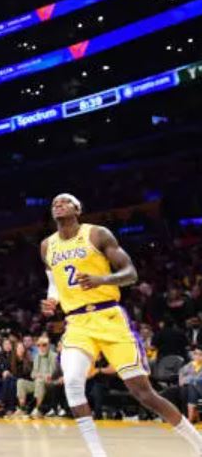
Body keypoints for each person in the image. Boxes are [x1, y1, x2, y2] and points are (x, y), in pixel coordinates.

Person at [40, 193, 202, 457]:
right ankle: (98, 453)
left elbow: (130, 273)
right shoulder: (47, 245)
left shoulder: (97, 234)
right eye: (54, 203)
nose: (58, 204)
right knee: (72, 383)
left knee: (143, 393)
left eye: (65, 201)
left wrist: (101, 279)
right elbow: (54, 283)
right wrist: (52, 300)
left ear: (78, 209)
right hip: (77, 323)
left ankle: (198, 444)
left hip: (109, 317)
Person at [15, 336, 56, 418]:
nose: (41, 347)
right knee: (20, 382)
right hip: (37, 382)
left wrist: (41, 376)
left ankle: (37, 409)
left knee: (39, 381)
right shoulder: (37, 356)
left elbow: (52, 373)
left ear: (49, 345)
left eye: (44, 345)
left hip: (48, 382)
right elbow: (32, 374)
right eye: (39, 345)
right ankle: (22, 408)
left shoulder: (54, 356)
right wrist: (36, 375)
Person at [179, 347, 202, 422]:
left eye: (200, 354)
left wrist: (187, 380)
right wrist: (181, 380)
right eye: (195, 354)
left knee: (193, 384)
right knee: (188, 388)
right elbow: (181, 372)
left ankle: (191, 418)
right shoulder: (191, 364)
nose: (197, 356)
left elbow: (198, 379)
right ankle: (191, 417)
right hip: (193, 387)